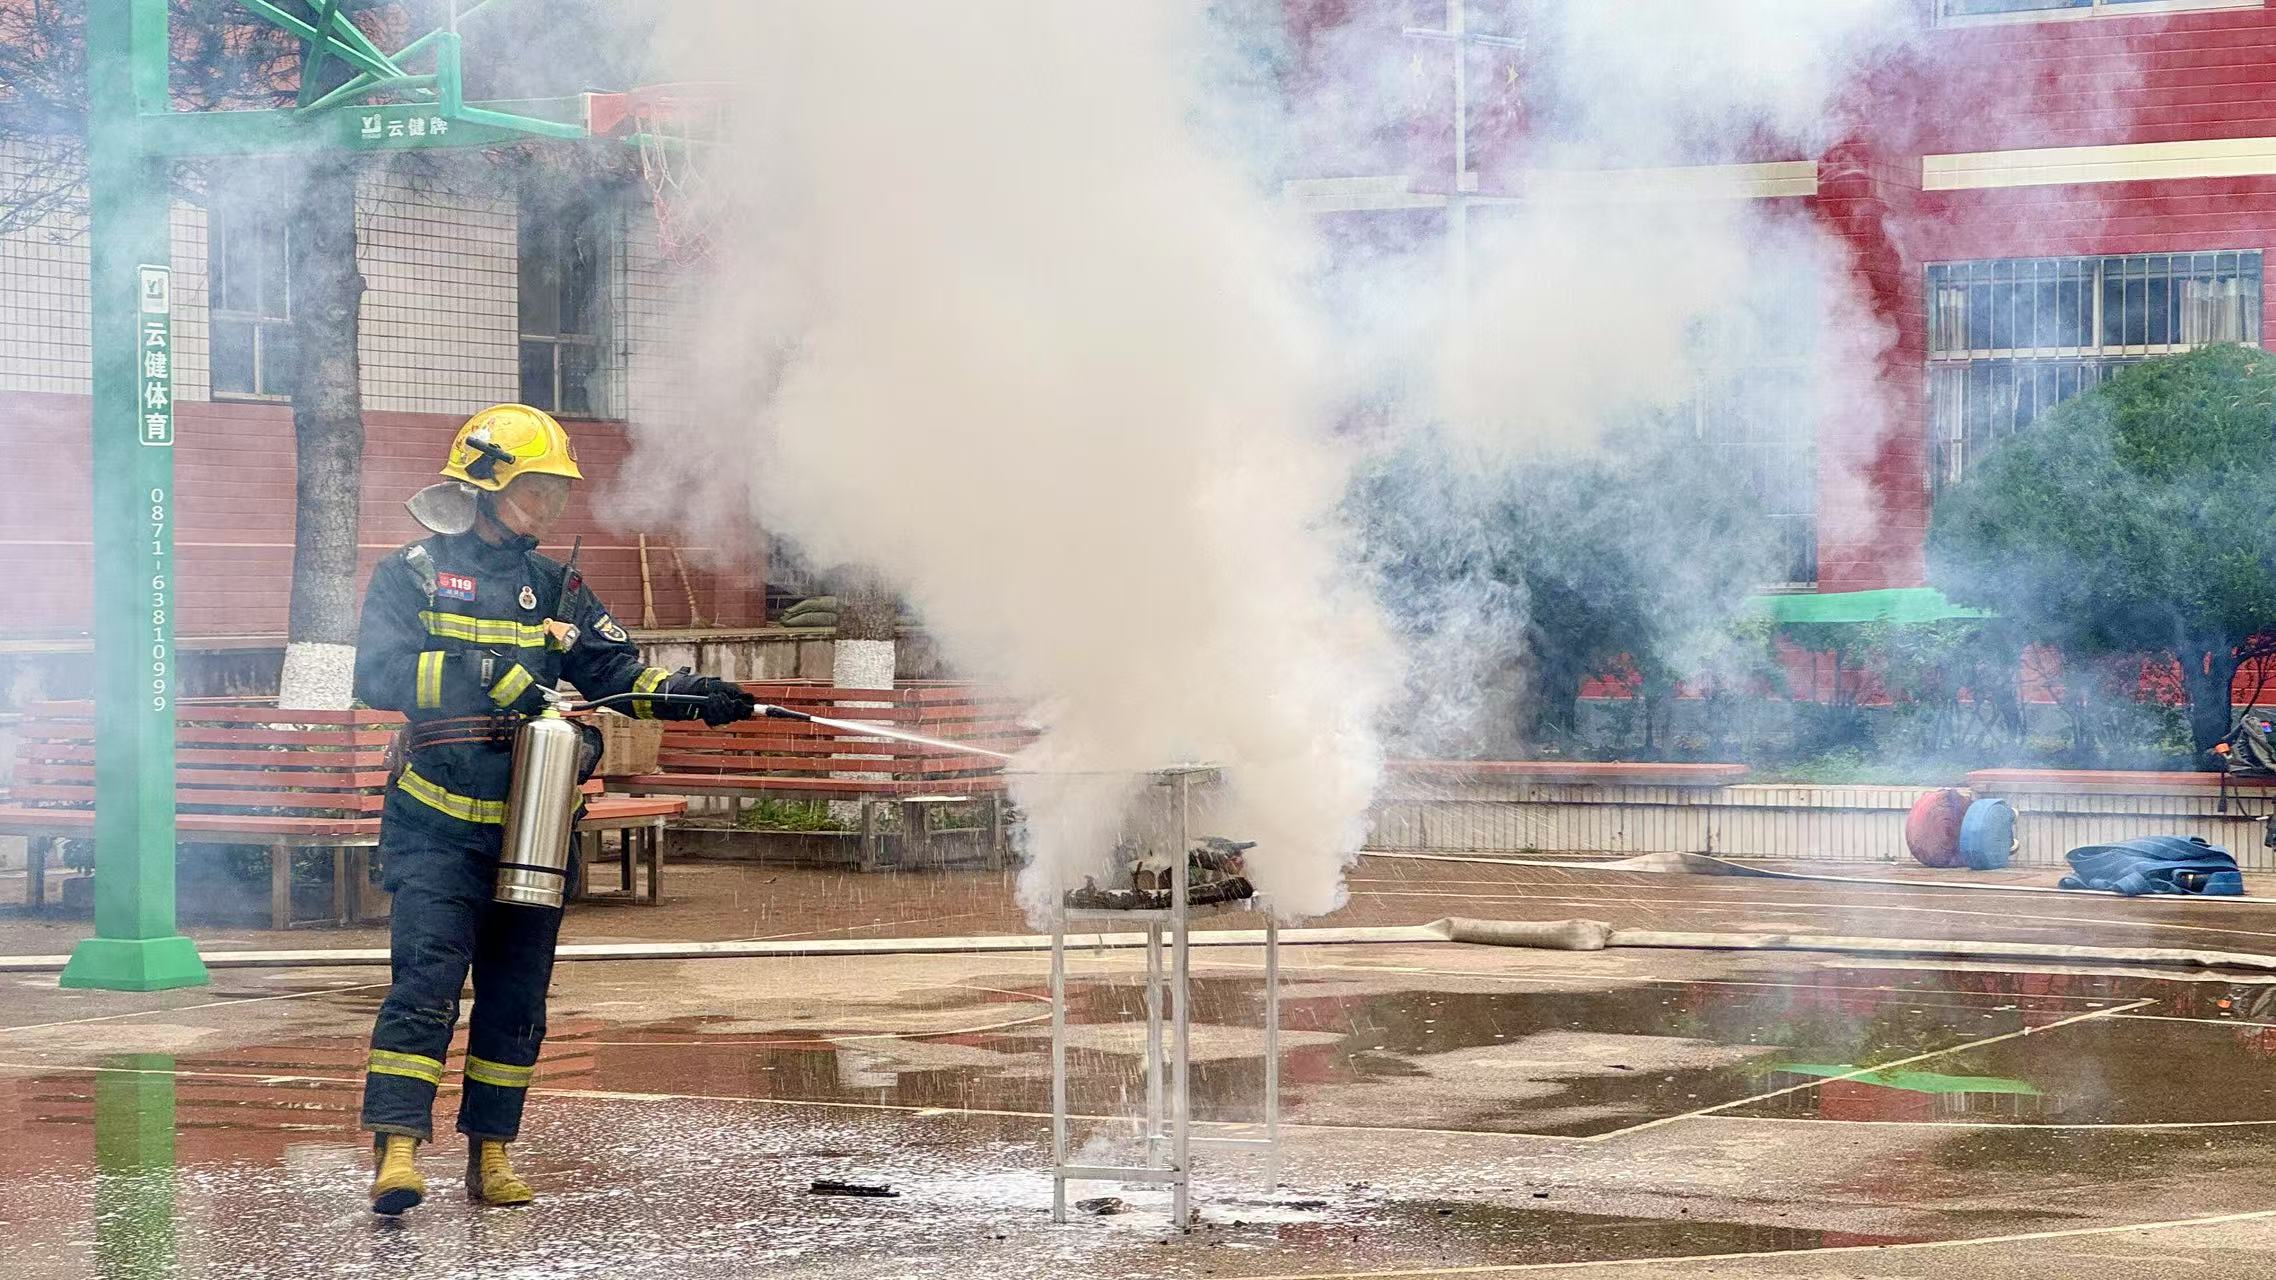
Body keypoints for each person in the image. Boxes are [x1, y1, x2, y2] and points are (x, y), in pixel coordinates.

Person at [354, 404, 757, 1215]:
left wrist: (690, 695)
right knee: (425, 987)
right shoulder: (415, 573)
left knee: (516, 998)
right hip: (436, 828)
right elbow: (378, 675)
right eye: (538, 488)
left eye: (558, 492)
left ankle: (491, 1154)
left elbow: (617, 676)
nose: (551, 506)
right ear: (486, 483)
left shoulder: (556, 586)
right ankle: (397, 1152)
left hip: (532, 831)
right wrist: (479, 671)